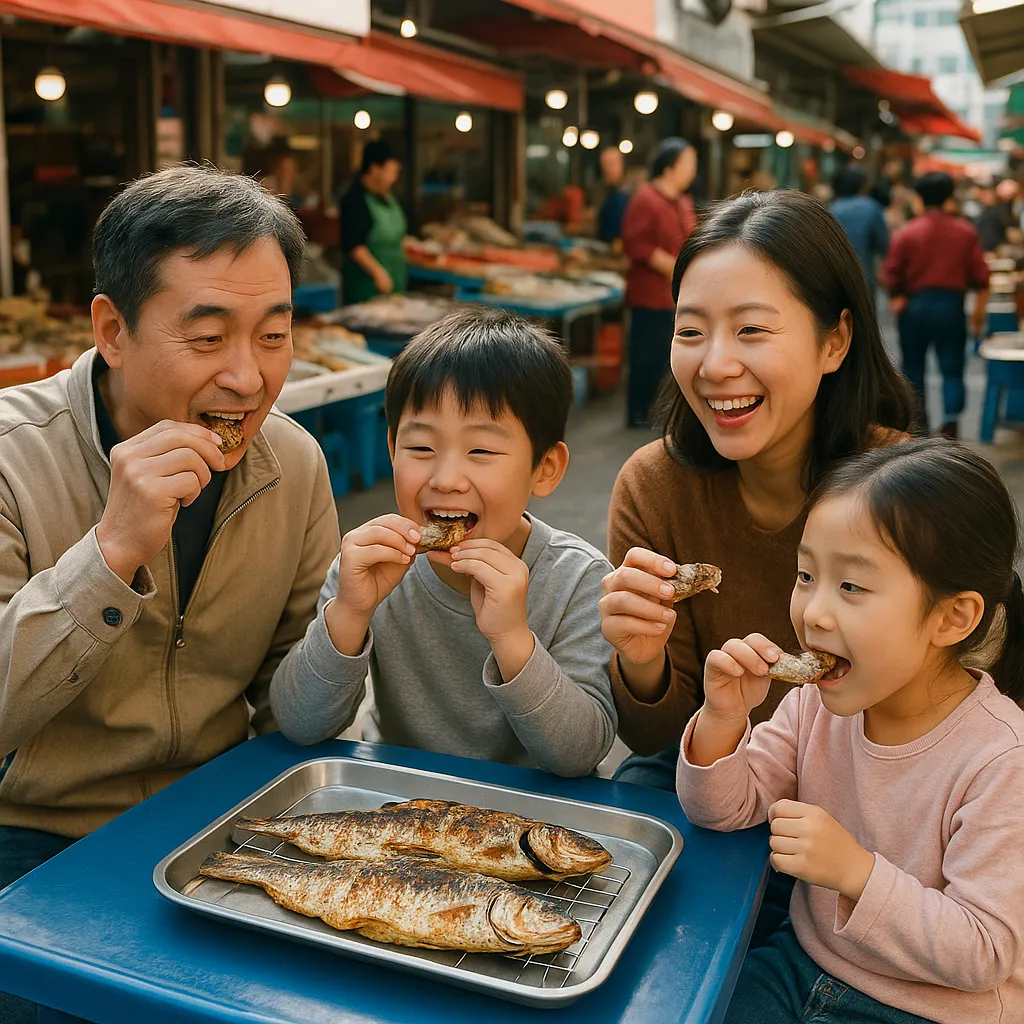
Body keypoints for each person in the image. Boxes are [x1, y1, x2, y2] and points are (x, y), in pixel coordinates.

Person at [0, 166, 339, 1019]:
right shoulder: (12, 458)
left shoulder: (292, 464)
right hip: (32, 837)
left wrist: (353, 629)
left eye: (273, 334)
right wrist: (109, 554)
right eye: (208, 336)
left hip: (223, 825)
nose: (249, 377)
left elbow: (294, 712)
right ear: (112, 330)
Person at [678, 438, 1024, 1023]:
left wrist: (854, 873)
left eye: (852, 586)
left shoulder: (1000, 759)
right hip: (802, 966)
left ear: (951, 617)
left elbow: (984, 952)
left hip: (933, 1009)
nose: (812, 611)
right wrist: (723, 717)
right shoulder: (816, 703)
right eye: (806, 574)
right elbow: (722, 809)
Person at [599, 189, 915, 799]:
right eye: (690, 330)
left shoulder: (900, 489)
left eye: (751, 329)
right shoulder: (655, 486)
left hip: (870, 789)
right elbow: (655, 736)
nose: (715, 365)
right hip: (706, 767)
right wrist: (641, 660)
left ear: (834, 342)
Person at [271, 308, 617, 776]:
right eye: (421, 449)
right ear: (392, 448)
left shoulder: (578, 581)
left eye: (481, 451)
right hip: (399, 806)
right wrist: (349, 614)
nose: (447, 478)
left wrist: (513, 639)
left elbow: (579, 755)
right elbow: (298, 723)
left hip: (536, 817)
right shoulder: (369, 568)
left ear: (544, 468)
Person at [883, 172, 989, 438]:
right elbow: (981, 276)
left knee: (913, 369)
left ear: (919, 198)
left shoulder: (908, 232)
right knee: (952, 368)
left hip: (915, 307)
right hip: (951, 307)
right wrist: (977, 318)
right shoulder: (965, 231)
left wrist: (898, 294)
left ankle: (920, 426)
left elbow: (890, 273)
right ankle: (951, 423)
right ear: (949, 197)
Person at [620, 137, 698, 428]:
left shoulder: (682, 202)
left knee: (667, 357)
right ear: (669, 167)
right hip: (649, 294)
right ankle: (638, 413)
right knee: (645, 357)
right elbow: (636, 243)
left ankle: (660, 412)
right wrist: (671, 266)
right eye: (688, 163)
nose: (692, 170)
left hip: (673, 295)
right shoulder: (646, 198)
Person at [340, 139, 407, 305]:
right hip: (366, 291)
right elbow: (354, 245)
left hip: (396, 285)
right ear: (375, 169)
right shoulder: (354, 200)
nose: (394, 178)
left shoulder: (390, 200)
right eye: (391, 172)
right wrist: (378, 273)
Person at [828, 166, 888, 297]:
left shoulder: (832, 208)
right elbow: (883, 244)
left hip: (834, 278)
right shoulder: (872, 207)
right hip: (864, 277)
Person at [595, 146, 631, 245]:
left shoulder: (632, 192)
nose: (607, 169)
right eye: (604, 165)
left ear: (622, 164)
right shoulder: (601, 190)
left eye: (611, 164)